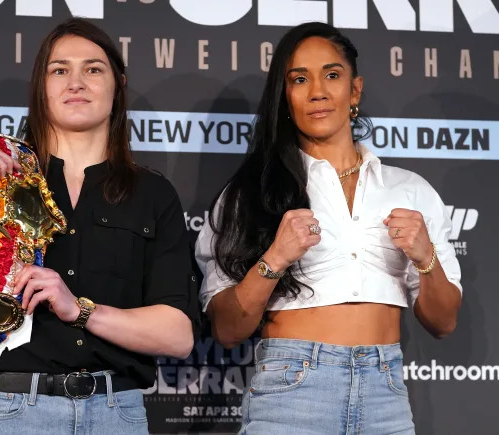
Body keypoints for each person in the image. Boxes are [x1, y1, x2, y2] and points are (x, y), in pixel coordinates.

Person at [0, 17, 199, 435]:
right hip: (11, 412)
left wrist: (79, 310)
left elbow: (177, 336)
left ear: (118, 84)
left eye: (93, 69)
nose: (76, 82)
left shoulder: (153, 194)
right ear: (40, 87)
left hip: (119, 414)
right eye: (59, 69)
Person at [196, 22, 462, 435]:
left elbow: (444, 323)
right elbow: (228, 330)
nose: (317, 90)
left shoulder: (410, 189)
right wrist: (274, 259)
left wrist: (426, 259)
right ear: (285, 96)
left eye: (331, 75)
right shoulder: (250, 194)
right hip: (291, 390)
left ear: (354, 90)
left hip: (385, 392)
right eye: (299, 79)